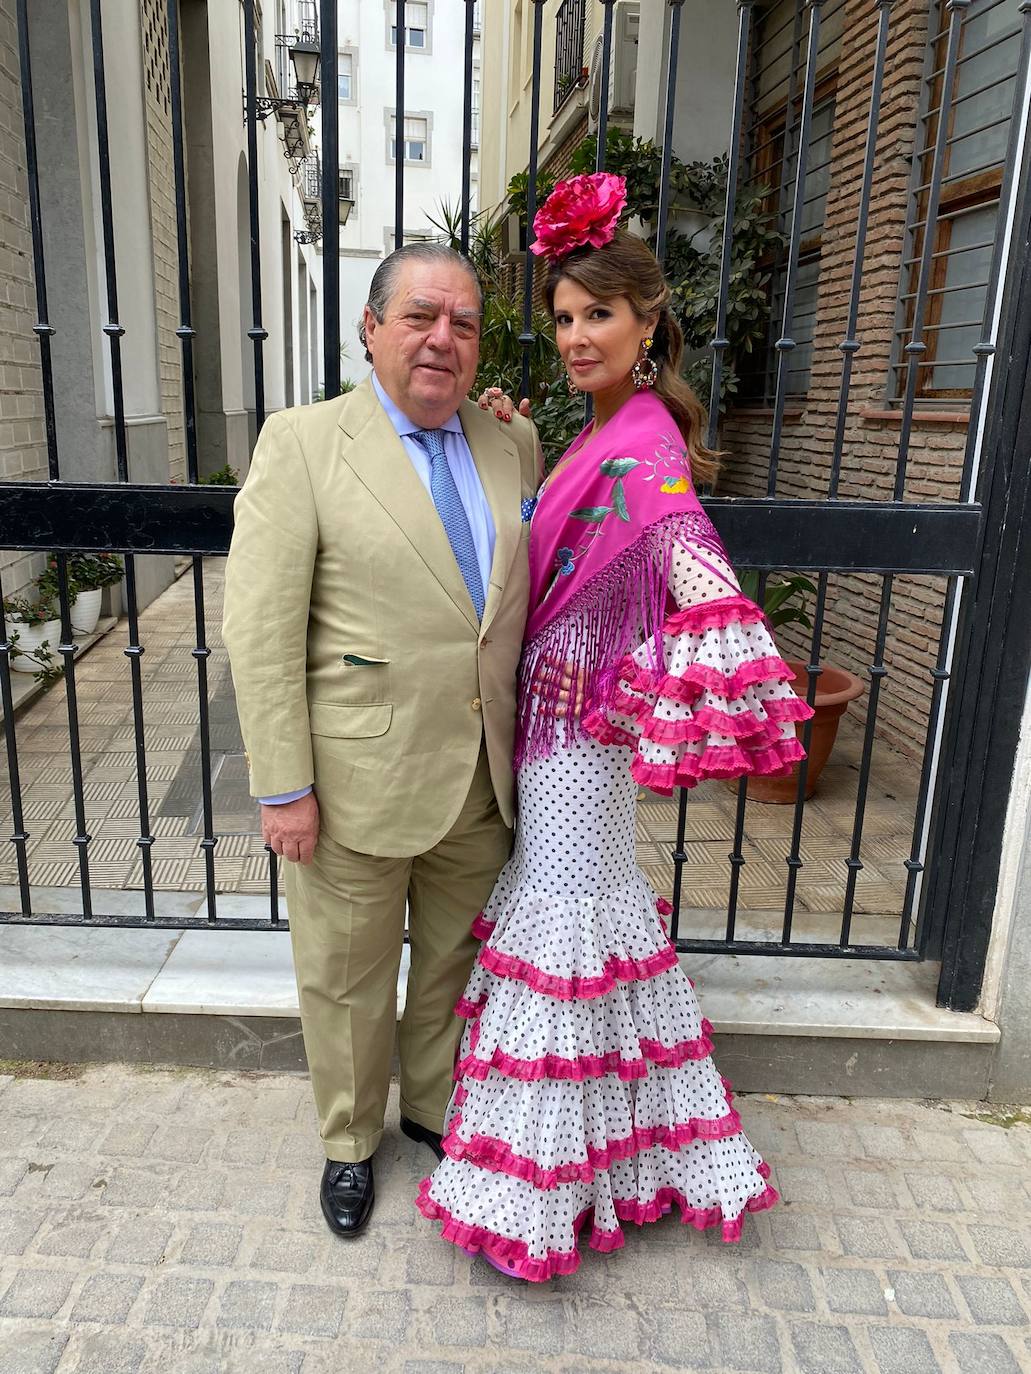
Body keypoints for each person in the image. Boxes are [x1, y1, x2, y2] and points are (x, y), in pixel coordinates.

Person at [416, 174, 814, 1281]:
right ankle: (611, 1160)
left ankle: (544, 1189)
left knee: (572, 934)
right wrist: (527, 444)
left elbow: (675, 534)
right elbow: (572, 531)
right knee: (589, 933)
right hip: (558, 723)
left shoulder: (643, 440)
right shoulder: (605, 427)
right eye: (562, 317)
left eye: (599, 313)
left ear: (646, 324)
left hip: (575, 732)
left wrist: (729, 631)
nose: (577, 334)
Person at [222, 242, 541, 1240]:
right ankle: (351, 1141)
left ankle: (429, 1108)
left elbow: (500, 611)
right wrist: (282, 787)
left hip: (480, 776)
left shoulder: (510, 446)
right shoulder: (303, 443)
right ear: (371, 329)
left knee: (450, 966)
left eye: (464, 323)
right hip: (354, 780)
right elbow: (261, 627)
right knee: (347, 975)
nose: (443, 339)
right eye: (419, 317)